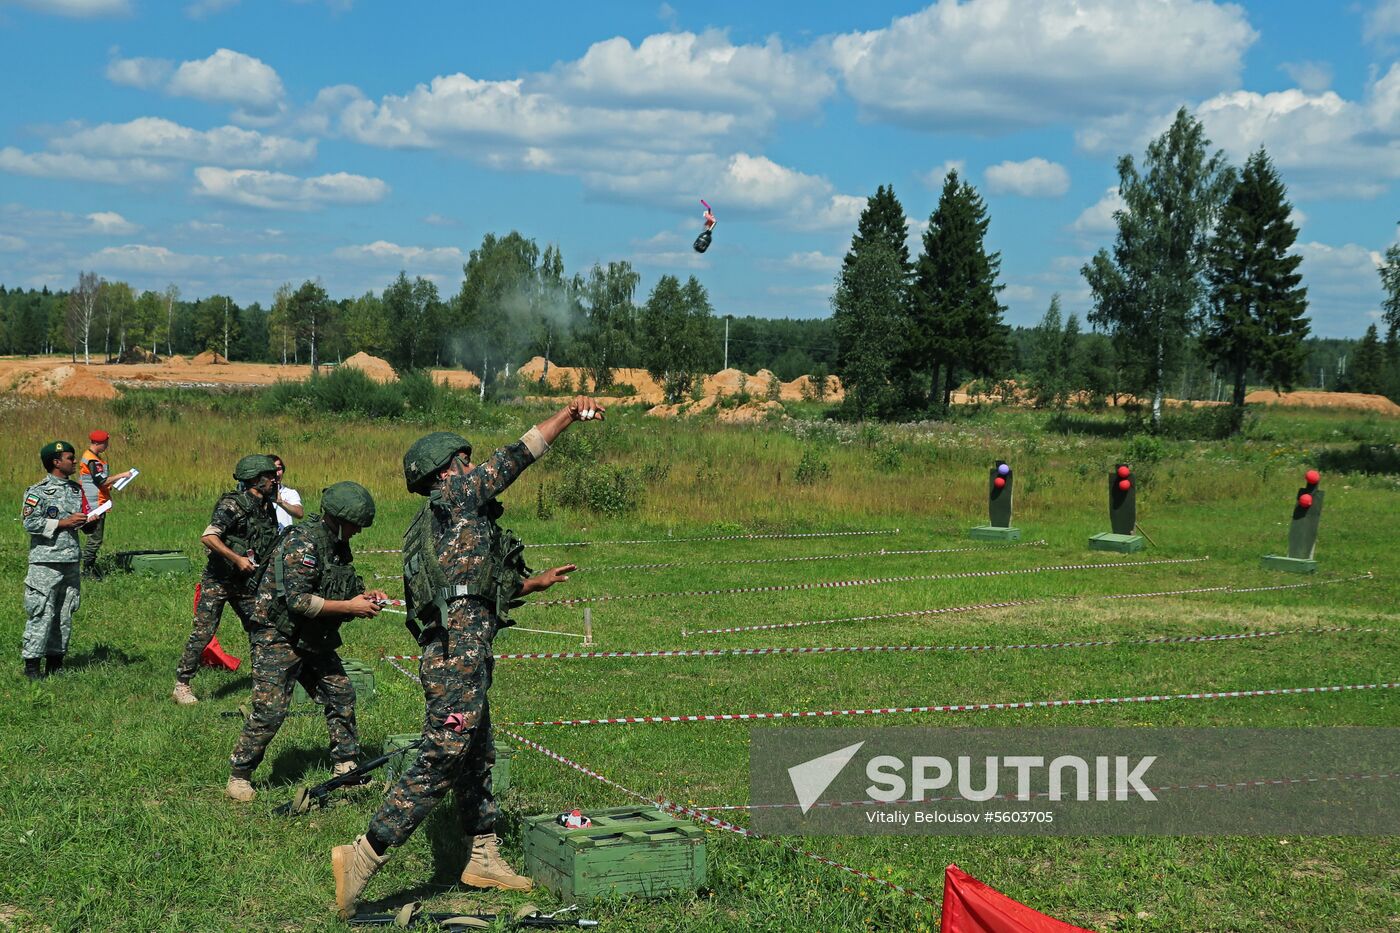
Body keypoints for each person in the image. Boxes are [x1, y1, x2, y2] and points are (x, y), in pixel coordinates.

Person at [331, 396, 605, 920]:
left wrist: (533, 583)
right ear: (447, 470)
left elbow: (470, 587)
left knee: (478, 753)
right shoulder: (456, 495)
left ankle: (483, 857)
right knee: (444, 752)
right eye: (465, 461)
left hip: (458, 650)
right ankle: (364, 854)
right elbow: (516, 456)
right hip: (458, 655)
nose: (473, 467)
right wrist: (569, 415)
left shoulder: (442, 521)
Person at [226, 482, 387, 802]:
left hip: (312, 634)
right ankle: (239, 775)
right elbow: (298, 602)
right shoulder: (302, 543)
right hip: (277, 633)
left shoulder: (336, 542)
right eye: (355, 525)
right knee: (270, 710)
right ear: (338, 519)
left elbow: (337, 584)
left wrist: (364, 596)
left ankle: (346, 767)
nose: (358, 531)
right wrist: (350, 607)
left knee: (340, 693)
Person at [171, 454, 280, 705]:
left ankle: (264, 680)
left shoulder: (267, 506)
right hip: (219, 580)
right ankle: (182, 685)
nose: (274, 480)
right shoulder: (232, 505)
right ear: (255, 479)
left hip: (247, 582)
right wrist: (236, 559)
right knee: (204, 632)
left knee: (262, 628)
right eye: (269, 476)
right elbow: (209, 537)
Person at [21, 441, 92, 679]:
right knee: (42, 611)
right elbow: (30, 523)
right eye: (70, 458)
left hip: (70, 560)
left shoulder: (76, 490)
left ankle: (55, 663)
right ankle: (32, 666)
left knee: (65, 612)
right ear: (56, 462)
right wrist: (64, 522)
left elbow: (83, 526)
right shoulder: (38, 491)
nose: (75, 461)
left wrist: (91, 520)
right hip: (45, 562)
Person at [78, 429, 134, 579]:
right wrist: (123, 475)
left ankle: (87, 568)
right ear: (98, 443)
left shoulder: (91, 457)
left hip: (94, 501)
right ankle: (87, 571)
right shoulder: (92, 460)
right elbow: (102, 480)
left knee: (94, 537)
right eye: (105, 443)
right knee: (95, 539)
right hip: (95, 504)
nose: (107, 445)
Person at [271, 455, 304, 531]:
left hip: (285, 537)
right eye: (273, 470)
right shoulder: (258, 494)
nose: (277, 474)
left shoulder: (290, 493)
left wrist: (281, 502)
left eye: (279, 469)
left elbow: (300, 514)